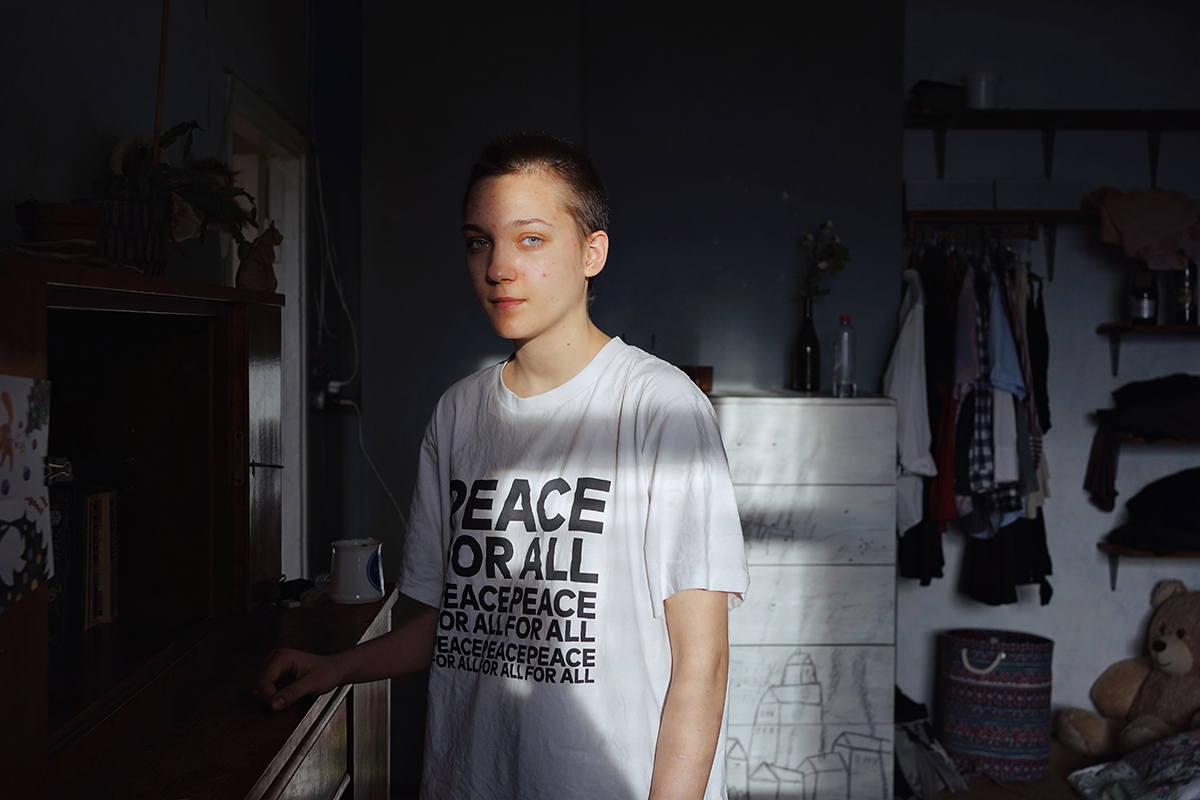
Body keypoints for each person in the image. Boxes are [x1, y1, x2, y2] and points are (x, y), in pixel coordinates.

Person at [255, 132, 749, 800]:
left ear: (592, 252)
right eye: (478, 242)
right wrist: (336, 667)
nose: (498, 268)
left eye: (531, 239)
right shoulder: (458, 415)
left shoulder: (661, 408)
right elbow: (459, 622)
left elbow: (703, 664)